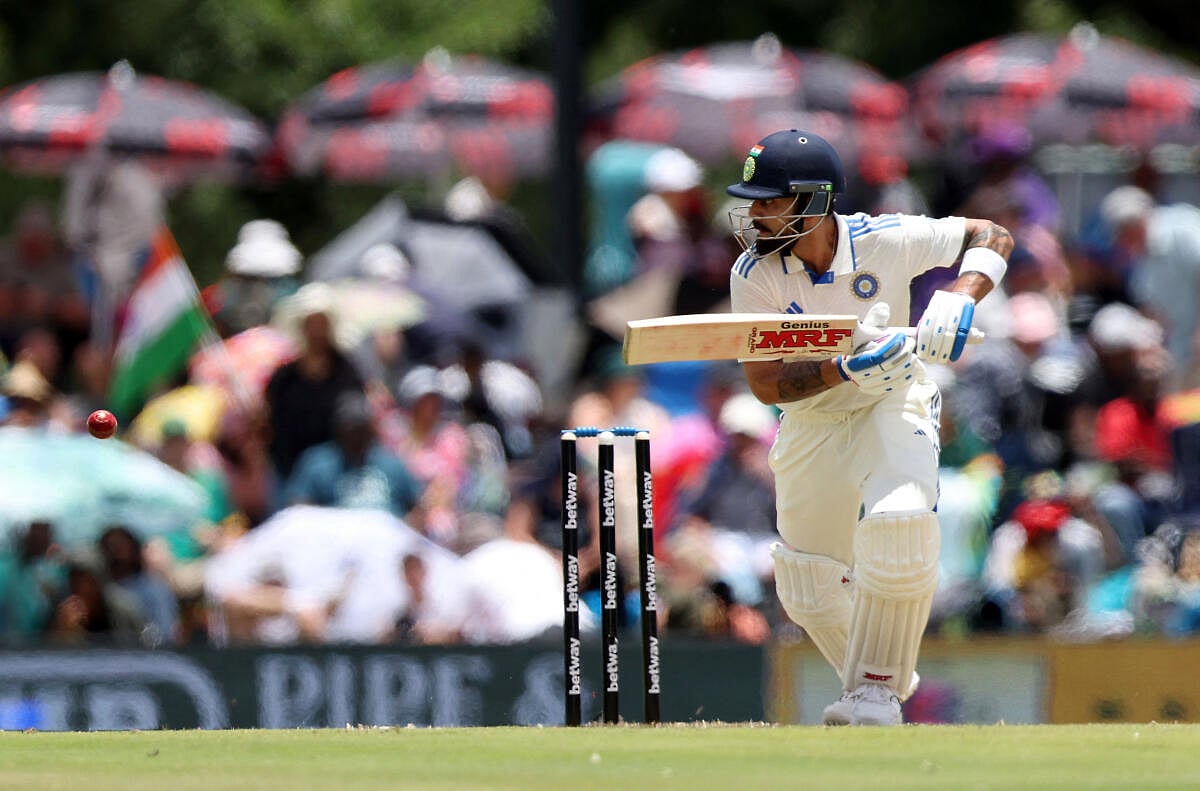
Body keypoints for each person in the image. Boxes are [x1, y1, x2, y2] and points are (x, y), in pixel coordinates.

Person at [723, 129, 1013, 726]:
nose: (753, 213)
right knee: (806, 588)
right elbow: (766, 385)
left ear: (812, 200)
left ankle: (875, 693)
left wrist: (961, 295)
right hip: (813, 419)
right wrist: (846, 367)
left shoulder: (886, 239)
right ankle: (880, 677)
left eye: (768, 200)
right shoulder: (754, 272)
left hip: (895, 398)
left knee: (901, 525)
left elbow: (993, 234)